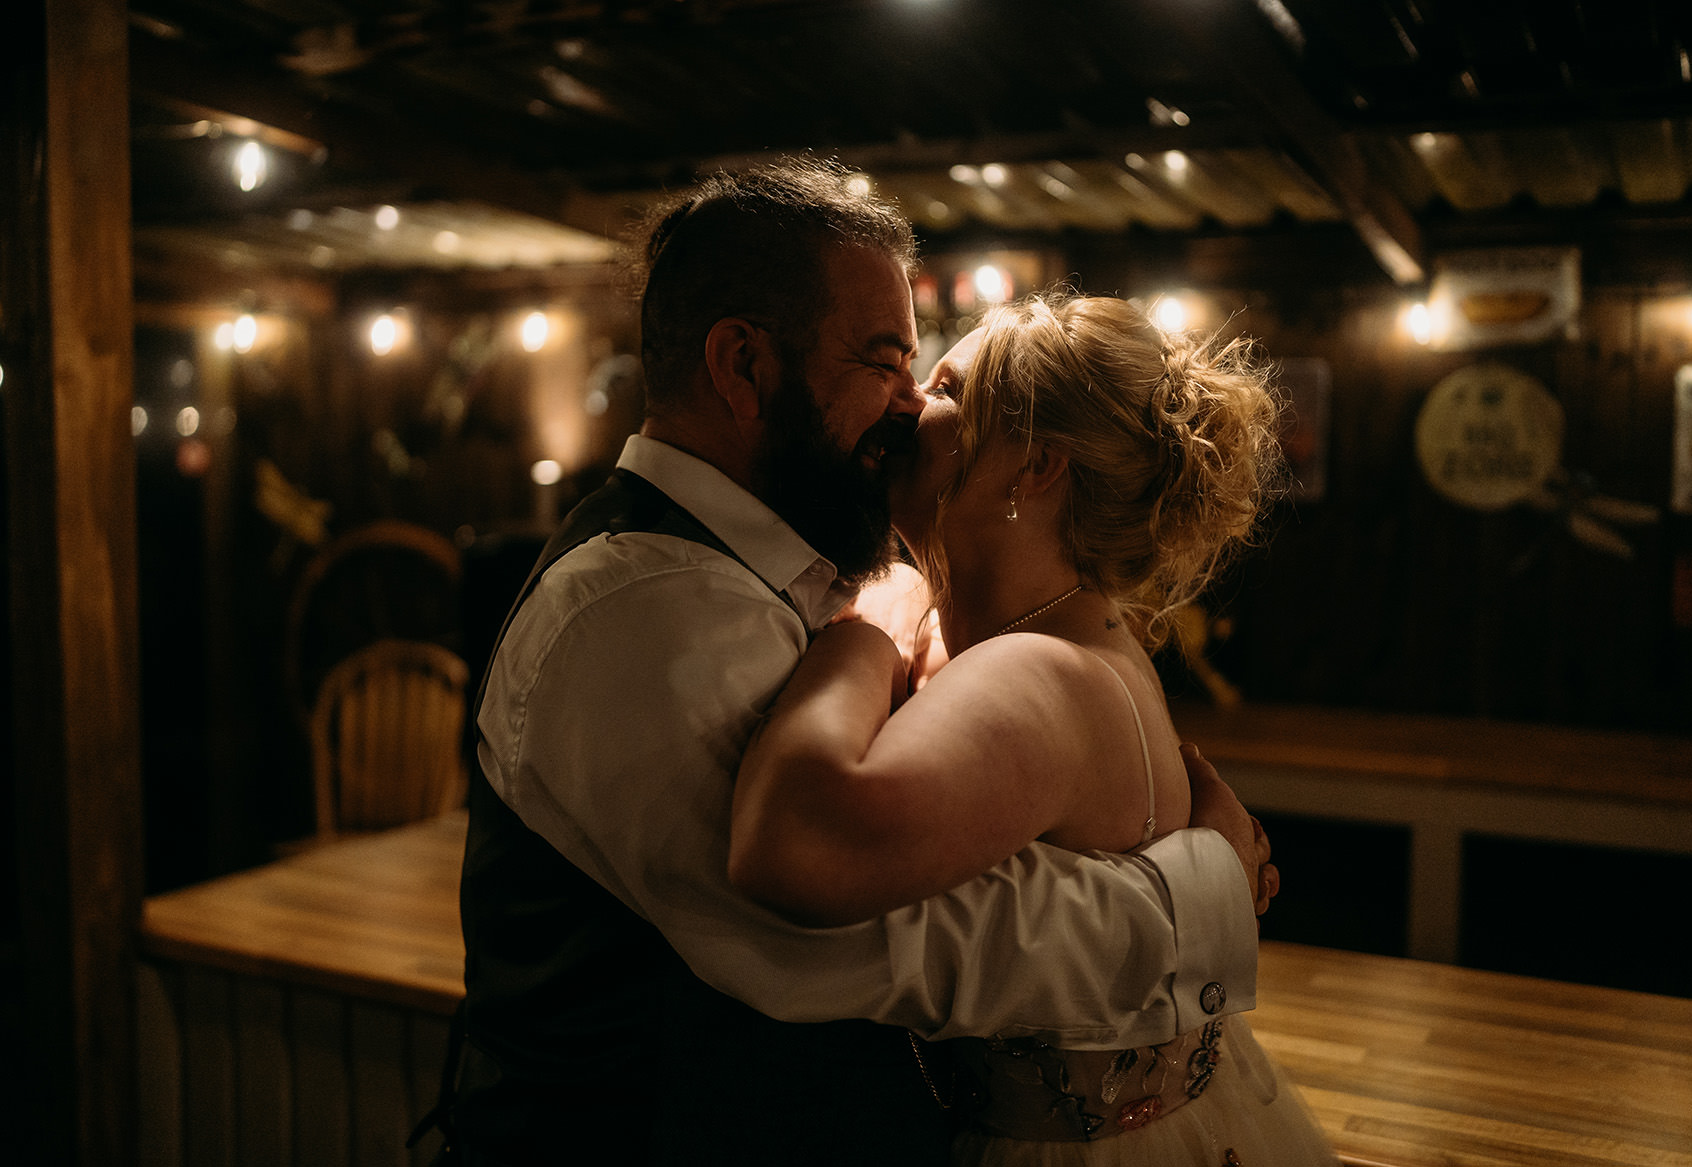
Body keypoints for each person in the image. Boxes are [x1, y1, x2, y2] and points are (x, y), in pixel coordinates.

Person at [440, 158, 1277, 1165]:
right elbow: (862, 936)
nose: (905, 407)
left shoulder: (830, 585)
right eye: (886, 361)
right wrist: (1203, 892)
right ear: (744, 367)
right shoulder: (637, 605)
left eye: (931, 377)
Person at [731, 294, 1337, 1163]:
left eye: (945, 387)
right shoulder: (992, 631)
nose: (907, 402)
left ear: (1034, 464)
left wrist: (869, 614)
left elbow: (802, 842)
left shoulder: (1042, 672)